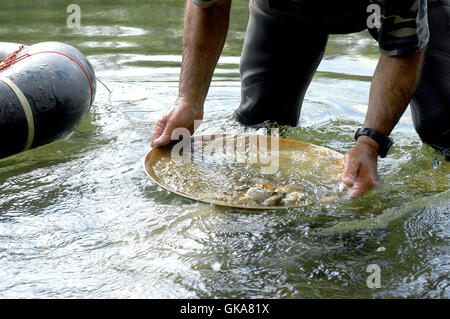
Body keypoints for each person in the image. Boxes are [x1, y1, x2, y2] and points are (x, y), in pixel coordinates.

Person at [151, 0, 450, 197]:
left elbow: (403, 48)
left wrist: (370, 142)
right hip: (284, 10)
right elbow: (209, 4)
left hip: (409, 8)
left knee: (443, 128)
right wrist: (188, 100)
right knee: (262, 124)